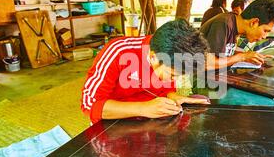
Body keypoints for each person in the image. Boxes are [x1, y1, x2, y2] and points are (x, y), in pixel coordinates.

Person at [81, 20, 210, 124]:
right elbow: (89, 104)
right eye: (172, 75)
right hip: (111, 126)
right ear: (153, 57)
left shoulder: (169, 56)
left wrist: (174, 98)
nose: (174, 80)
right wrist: (143, 108)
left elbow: (163, 91)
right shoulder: (119, 52)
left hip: (148, 125)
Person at [200, 0, 274, 67]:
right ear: (254, 22)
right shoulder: (223, 23)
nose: (265, 36)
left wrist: (251, 56)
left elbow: (225, 53)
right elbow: (206, 63)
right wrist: (242, 57)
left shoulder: (235, 25)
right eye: (265, 31)